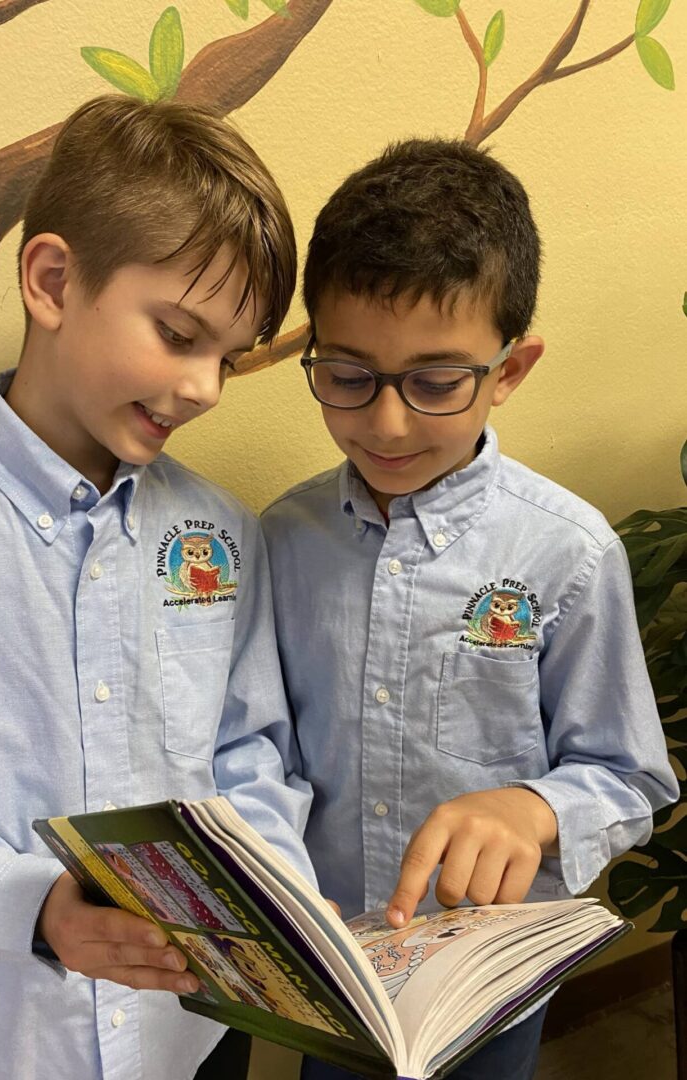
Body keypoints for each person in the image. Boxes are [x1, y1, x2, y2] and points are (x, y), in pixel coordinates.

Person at [0, 95, 316, 1080]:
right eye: (178, 332)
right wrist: (34, 906)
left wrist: (276, 895)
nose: (206, 387)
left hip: (197, 1027)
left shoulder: (221, 533)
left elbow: (251, 756)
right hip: (5, 1037)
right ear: (52, 279)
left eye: (228, 356)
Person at [260, 139, 679, 1080]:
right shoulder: (283, 540)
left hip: (485, 981)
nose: (388, 421)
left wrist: (534, 807)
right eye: (348, 376)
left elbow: (630, 777)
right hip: (328, 964)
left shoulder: (567, 554)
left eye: (437, 381)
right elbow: (263, 746)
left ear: (511, 369)